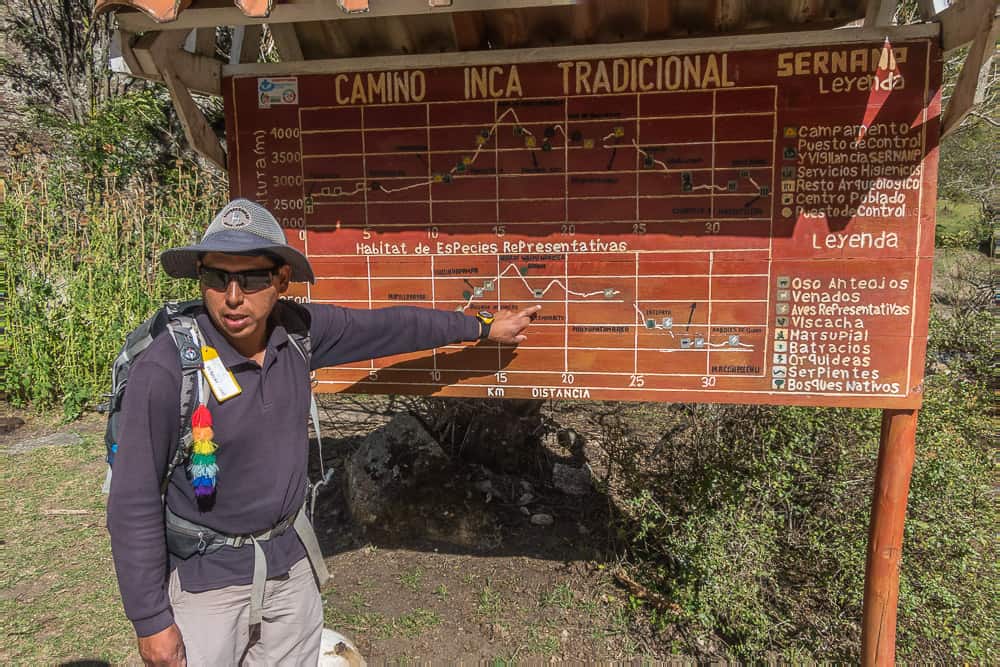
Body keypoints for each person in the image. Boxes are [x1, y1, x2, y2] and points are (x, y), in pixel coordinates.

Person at [106, 199, 538, 666]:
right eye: (216, 277)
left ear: (281, 280)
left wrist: (482, 327)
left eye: (252, 278)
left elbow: (394, 327)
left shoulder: (297, 334)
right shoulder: (168, 367)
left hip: (290, 568)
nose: (233, 296)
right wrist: (151, 621)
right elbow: (133, 498)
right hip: (205, 581)